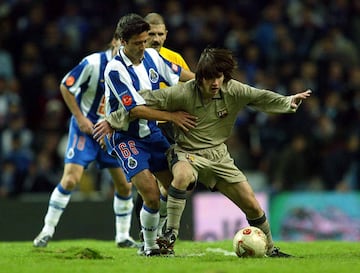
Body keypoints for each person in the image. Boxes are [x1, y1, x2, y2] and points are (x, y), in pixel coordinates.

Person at [94, 47, 312, 257]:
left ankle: (271, 248)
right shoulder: (182, 93)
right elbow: (142, 102)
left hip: (219, 156)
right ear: (199, 78)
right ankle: (170, 233)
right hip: (186, 153)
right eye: (210, 78)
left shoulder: (233, 89)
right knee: (181, 177)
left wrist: (288, 101)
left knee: (253, 206)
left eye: (219, 77)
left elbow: (260, 97)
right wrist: (112, 120)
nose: (215, 83)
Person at [97, 13, 194, 256]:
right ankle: (150, 247)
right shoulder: (115, 69)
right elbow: (135, 109)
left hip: (152, 134)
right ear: (122, 41)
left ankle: (154, 233)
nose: (143, 47)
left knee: (174, 187)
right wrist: (173, 117)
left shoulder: (152, 56)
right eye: (137, 43)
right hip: (125, 138)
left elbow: (181, 75)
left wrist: (209, 82)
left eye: (145, 40)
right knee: (150, 195)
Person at [33, 37, 139, 248]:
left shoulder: (133, 68)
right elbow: (65, 86)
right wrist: (80, 118)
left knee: (125, 186)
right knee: (71, 179)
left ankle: (123, 236)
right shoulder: (93, 63)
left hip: (111, 133)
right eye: (123, 42)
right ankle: (46, 231)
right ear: (115, 41)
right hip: (86, 130)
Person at [132, 12, 192, 238]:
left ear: (166, 35)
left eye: (160, 34)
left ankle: (160, 230)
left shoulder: (173, 58)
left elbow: (189, 87)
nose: (156, 39)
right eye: (152, 34)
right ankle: (147, 234)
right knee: (148, 185)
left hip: (170, 127)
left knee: (172, 181)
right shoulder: (132, 61)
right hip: (143, 125)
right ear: (144, 35)